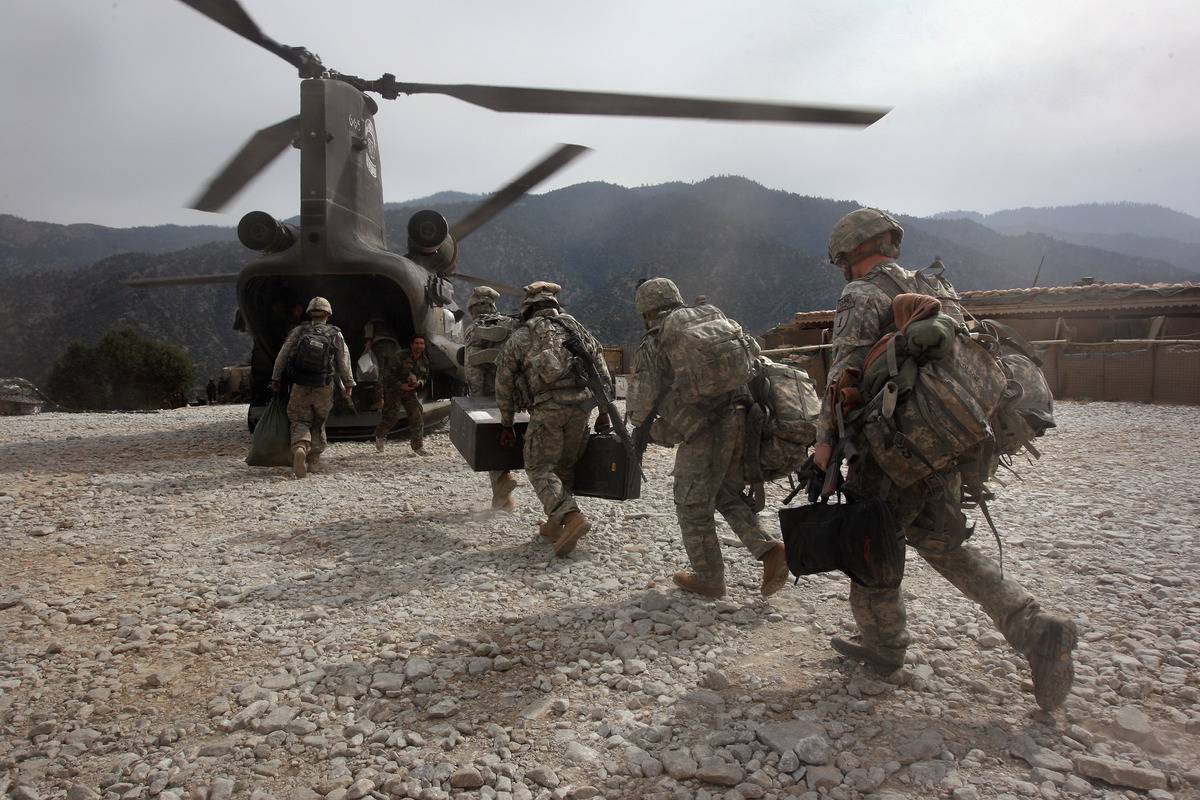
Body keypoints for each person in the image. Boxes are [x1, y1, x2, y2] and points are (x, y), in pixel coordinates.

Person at [814, 208, 1077, 711]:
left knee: (871, 544)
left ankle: (883, 649)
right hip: (949, 447)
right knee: (944, 543)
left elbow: (842, 379)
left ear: (847, 252)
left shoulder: (860, 295)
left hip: (893, 452)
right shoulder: (933, 287)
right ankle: (1035, 628)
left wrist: (824, 444)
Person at [627, 277, 789, 599]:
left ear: (646, 312)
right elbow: (754, 352)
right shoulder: (714, 319)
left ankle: (709, 578)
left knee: (691, 504)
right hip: (742, 417)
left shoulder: (658, 340)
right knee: (725, 493)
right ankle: (771, 552)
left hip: (702, 430)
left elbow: (641, 403)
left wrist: (643, 425)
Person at [495, 281, 610, 556]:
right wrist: (604, 412)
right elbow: (602, 369)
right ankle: (554, 525)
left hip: (548, 409)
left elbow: (504, 383)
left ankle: (571, 518)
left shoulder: (522, 336)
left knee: (538, 467)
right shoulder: (577, 329)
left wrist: (507, 422)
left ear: (529, 308)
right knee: (564, 467)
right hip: (582, 409)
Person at [271, 296, 354, 478]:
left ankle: (300, 447)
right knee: (319, 420)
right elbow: (343, 360)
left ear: (309, 313)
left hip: (300, 384)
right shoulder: (335, 334)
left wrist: (275, 378)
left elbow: (283, 355)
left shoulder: (299, 331)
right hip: (324, 386)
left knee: (299, 419)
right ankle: (314, 461)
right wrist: (348, 383)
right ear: (328, 314)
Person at [463, 286, 520, 510]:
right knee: (507, 432)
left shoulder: (473, 328)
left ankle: (501, 481)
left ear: (475, 308)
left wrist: (475, 396)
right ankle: (503, 498)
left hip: (484, 394)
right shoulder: (506, 324)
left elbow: (471, 366)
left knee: (488, 437)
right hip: (508, 392)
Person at [374, 334, 430, 455]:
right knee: (391, 417)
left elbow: (424, 377)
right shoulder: (400, 356)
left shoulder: (424, 360)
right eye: (417, 343)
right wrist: (400, 385)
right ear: (411, 345)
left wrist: (418, 383)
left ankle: (418, 447)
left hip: (410, 392)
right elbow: (387, 374)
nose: (419, 346)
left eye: (422, 344)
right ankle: (380, 435)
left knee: (417, 416)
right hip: (394, 390)